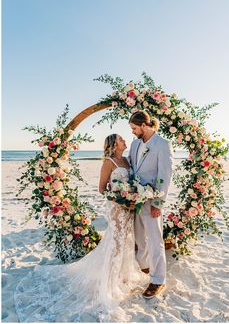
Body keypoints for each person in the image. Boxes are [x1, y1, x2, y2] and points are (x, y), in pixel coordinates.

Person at [14, 134, 148, 323]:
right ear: (113, 144)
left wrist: (132, 197)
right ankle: (109, 283)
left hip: (129, 209)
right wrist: (120, 198)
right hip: (117, 208)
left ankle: (122, 275)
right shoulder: (108, 162)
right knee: (116, 241)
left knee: (127, 240)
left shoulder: (127, 160)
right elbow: (102, 188)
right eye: (121, 139)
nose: (125, 140)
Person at [128, 110, 173, 299]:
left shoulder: (162, 144)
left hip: (152, 200)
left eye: (134, 128)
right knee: (140, 239)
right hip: (135, 200)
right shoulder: (135, 143)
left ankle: (158, 280)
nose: (132, 132)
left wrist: (158, 203)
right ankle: (145, 268)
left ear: (144, 126)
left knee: (155, 241)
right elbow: (131, 167)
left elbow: (165, 175)